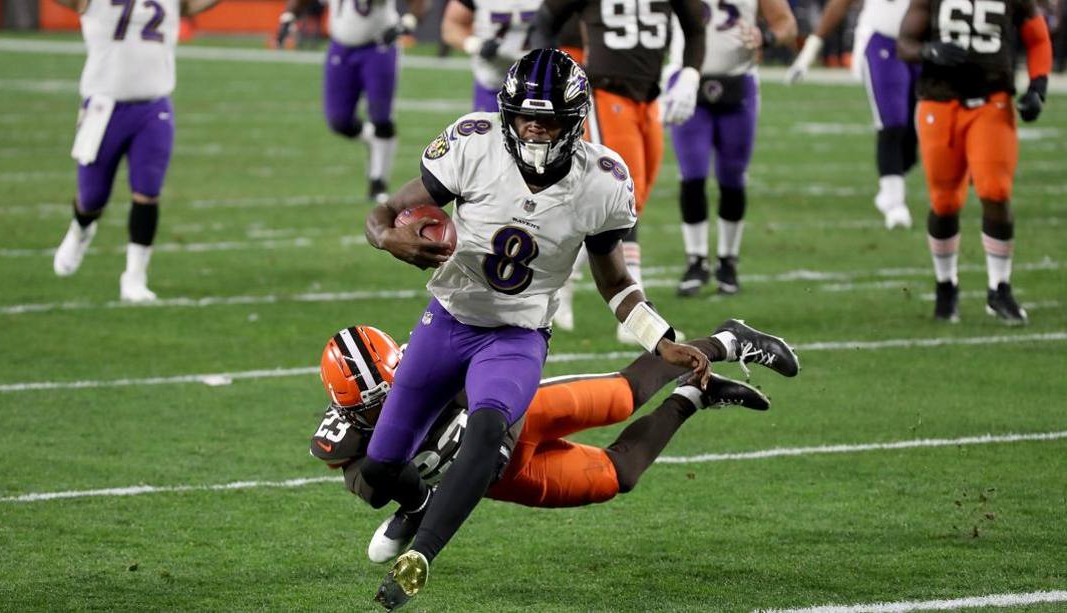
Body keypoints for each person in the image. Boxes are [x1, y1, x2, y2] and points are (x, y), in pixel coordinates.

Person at [361, 49, 713, 610]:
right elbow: (382, 214)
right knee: (377, 472)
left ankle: (420, 558)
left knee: (487, 432)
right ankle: (418, 505)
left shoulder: (601, 181)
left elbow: (614, 279)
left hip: (516, 335)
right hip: (447, 320)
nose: (533, 126)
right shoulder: (473, 144)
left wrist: (658, 336)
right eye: (525, 114)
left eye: (546, 118)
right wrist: (389, 239)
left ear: (574, 121)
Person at [309, 321, 798, 567]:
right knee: (617, 476)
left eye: (393, 392)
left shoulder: (428, 361)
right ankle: (696, 395)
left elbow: (490, 381)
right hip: (497, 477)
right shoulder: (347, 440)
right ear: (349, 409)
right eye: (375, 406)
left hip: (517, 414)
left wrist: (482, 436)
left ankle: (726, 341)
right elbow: (369, 482)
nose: (389, 406)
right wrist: (414, 497)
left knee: (621, 397)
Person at [530, 0, 706, 340]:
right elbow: (546, 17)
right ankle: (637, 321)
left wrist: (691, 73)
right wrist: (549, 72)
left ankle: (559, 284)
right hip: (605, 90)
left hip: (648, 95)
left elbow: (696, 25)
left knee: (632, 201)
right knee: (624, 198)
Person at [51, 0, 222, 302]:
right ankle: (81, 229)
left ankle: (134, 277)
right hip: (103, 106)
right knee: (92, 197)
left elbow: (195, 5)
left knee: (147, 191)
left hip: (154, 106)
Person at [897, 0, 1052, 324]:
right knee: (944, 202)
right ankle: (946, 285)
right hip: (939, 103)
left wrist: (1038, 85)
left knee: (995, 191)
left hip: (991, 101)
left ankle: (999, 288)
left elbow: (1037, 38)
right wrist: (929, 51)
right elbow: (905, 43)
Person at [668, 0, 796, 296]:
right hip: (688, 80)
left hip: (739, 82)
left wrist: (768, 36)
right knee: (692, 174)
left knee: (733, 177)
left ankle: (728, 260)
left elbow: (787, 24)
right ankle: (696, 259)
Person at [785, 0, 919, 231]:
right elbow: (840, 3)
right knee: (892, 121)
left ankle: (893, 180)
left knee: (915, 130)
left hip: (920, 46)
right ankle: (893, 200)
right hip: (882, 40)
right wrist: (809, 52)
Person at [276, 0, 428, 204]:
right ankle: (372, 139)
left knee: (381, 116)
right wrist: (289, 17)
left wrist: (405, 24)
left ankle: (378, 182)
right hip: (340, 46)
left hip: (379, 46)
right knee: (339, 120)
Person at [440, 0, 541, 112]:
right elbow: (452, 25)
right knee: (491, 128)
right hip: (494, 78)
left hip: (542, 77)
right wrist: (475, 45)